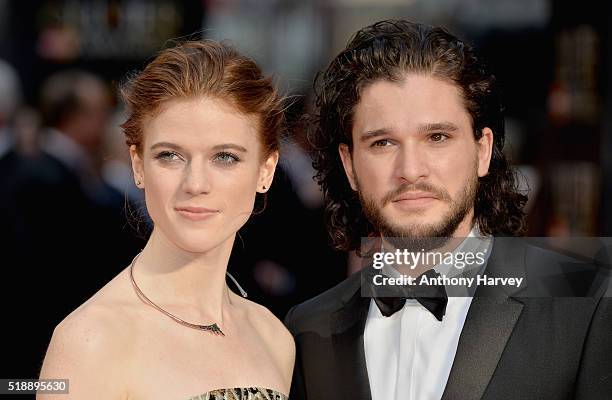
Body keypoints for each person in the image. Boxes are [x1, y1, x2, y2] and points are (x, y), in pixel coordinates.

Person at [284, 20, 612, 400]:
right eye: (383, 142)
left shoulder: (588, 303)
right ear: (350, 165)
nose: (410, 170)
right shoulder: (307, 329)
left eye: (437, 137)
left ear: (483, 150)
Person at [39, 40, 295, 399]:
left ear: (265, 170)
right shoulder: (91, 340)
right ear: (138, 165)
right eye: (170, 155)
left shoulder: (274, 337)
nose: (195, 184)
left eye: (225, 157)